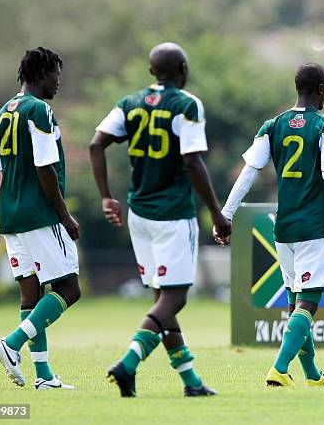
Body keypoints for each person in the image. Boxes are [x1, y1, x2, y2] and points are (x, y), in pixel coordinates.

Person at [215, 63, 324, 387]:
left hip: (284, 227)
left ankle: (313, 374)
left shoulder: (272, 126)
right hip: (315, 226)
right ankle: (278, 368)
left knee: (294, 302)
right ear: (321, 89)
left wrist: (226, 214)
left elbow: (249, 172)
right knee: (309, 302)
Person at [90, 42, 231, 397]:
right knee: (175, 298)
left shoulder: (129, 103)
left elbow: (96, 144)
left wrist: (107, 195)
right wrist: (217, 212)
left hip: (139, 214)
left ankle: (191, 382)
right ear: (183, 69)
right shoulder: (186, 104)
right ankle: (128, 363)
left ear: (152, 72)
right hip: (173, 214)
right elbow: (193, 161)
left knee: (163, 302)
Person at [0, 47, 81, 390]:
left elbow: (1, 168)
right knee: (69, 288)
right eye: (56, 74)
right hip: (39, 214)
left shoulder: (2, 112)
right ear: (42, 74)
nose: (58, 82)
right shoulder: (40, 110)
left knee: (31, 295)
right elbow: (44, 167)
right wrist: (65, 215)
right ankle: (11, 345)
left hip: (10, 213)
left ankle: (44, 377)